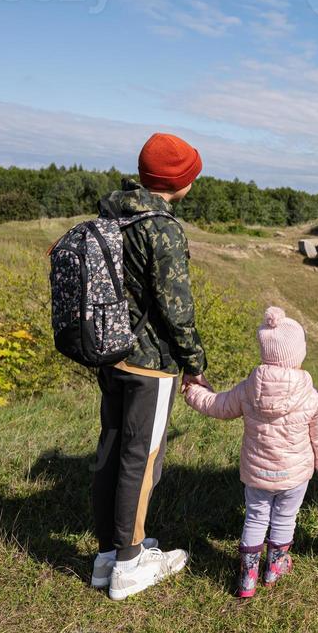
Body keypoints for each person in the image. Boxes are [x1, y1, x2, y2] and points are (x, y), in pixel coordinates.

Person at [91, 132, 209, 601]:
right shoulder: (161, 227)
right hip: (148, 359)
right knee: (142, 460)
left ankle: (107, 555)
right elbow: (175, 308)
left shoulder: (112, 214)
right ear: (180, 181)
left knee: (112, 450)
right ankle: (129, 564)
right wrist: (194, 363)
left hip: (108, 350)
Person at [183, 307, 318, 598]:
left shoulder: (249, 388)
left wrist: (193, 392)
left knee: (255, 516)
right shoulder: (310, 395)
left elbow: (218, 405)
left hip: (256, 473)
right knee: (285, 517)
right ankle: (274, 568)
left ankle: (247, 578)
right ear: (298, 354)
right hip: (294, 475)